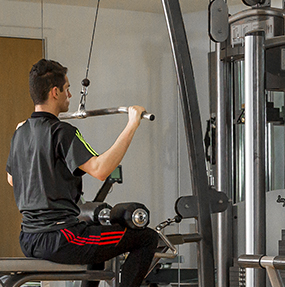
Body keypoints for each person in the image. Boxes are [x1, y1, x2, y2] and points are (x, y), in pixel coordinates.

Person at [6, 59, 158, 287]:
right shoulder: (61, 132)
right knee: (147, 238)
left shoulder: (21, 132)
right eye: (67, 89)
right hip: (61, 239)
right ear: (55, 92)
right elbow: (101, 169)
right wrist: (132, 124)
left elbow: (12, 180)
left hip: (28, 239)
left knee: (97, 241)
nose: (70, 95)